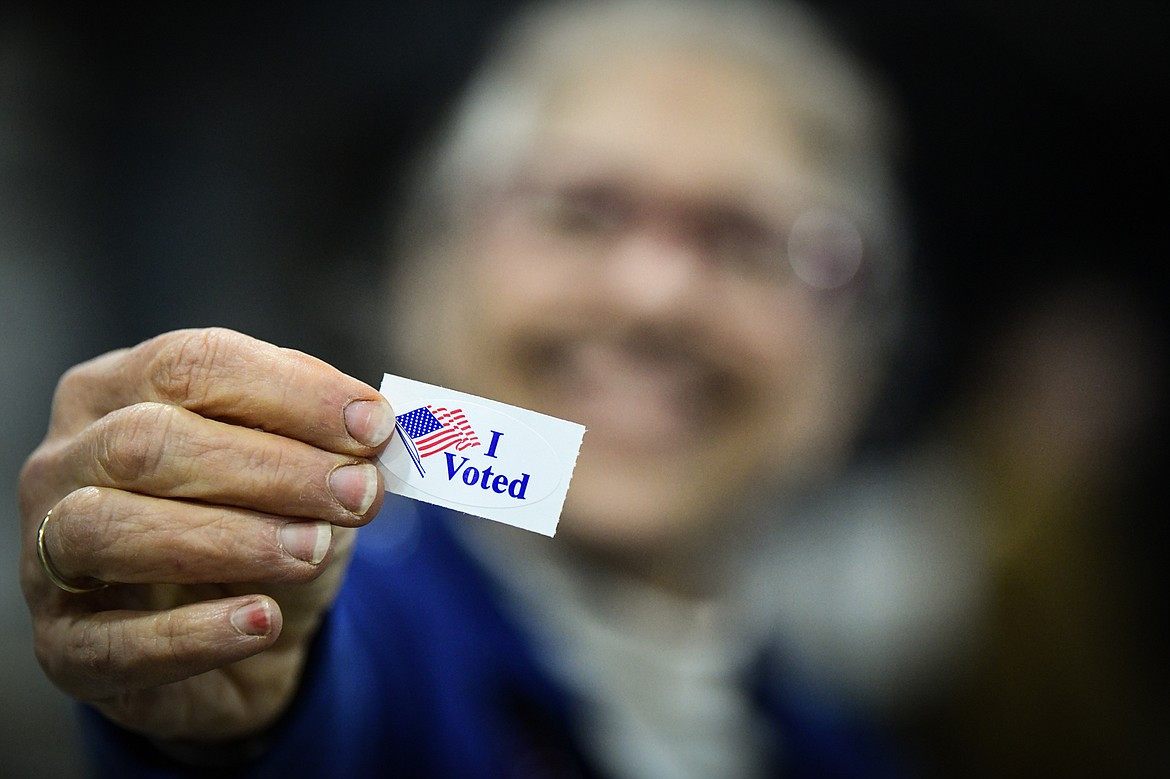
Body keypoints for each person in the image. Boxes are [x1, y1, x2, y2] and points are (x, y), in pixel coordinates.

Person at [17, 0, 909, 776]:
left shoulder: (852, 751)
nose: (654, 296)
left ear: (852, 364)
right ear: (424, 270)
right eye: (580, 210)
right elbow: (308, 716)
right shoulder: (335, 622)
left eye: (747, 241)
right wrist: (228, 719)